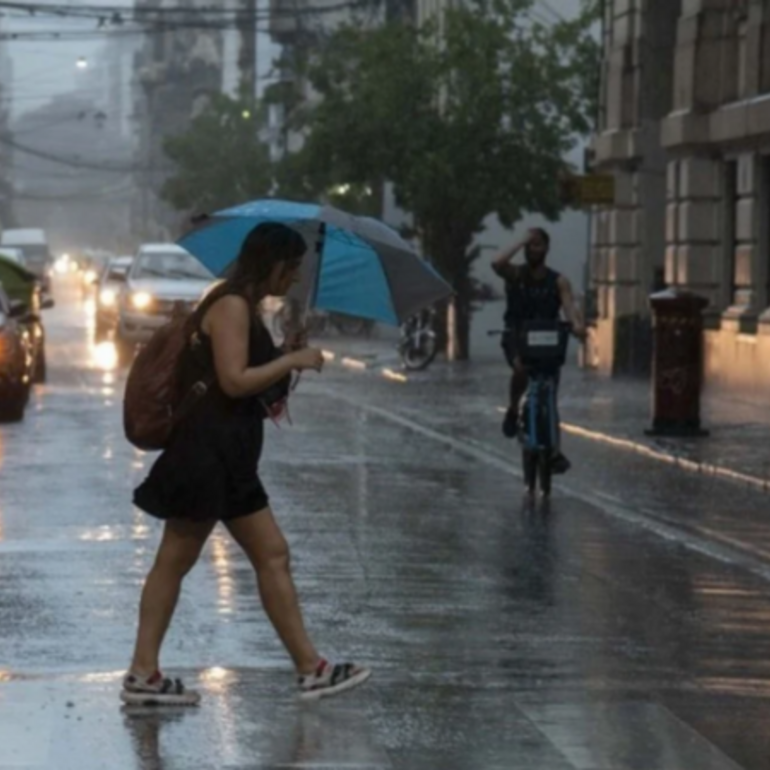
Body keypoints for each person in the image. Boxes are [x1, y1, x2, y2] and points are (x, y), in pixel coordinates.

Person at [122, 222, 371, 705]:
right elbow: (235, 381)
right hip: (206, 456)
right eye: (291, 267)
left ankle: (311, 668)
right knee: (174, 561)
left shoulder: (247, 310)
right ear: (271, 263)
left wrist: (285, 351)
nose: (294, 278)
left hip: (230, 459)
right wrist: (290, 361)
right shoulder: (231, 305)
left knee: (271, 554)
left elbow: (256, 389)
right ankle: (142, 673)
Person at [491, 227, 585, 473]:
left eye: (538, 245)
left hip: (547, 339)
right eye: (530, 245)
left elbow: (569, 307)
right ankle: (513, 409)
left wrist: (576, 326)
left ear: (546, 249)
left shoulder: (558, 281)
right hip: (517, 337)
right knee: (520, 368)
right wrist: (521, 239)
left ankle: (554, 451)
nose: (534, 249)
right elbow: (498, 263)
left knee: (550, 394)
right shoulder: (516, 275)